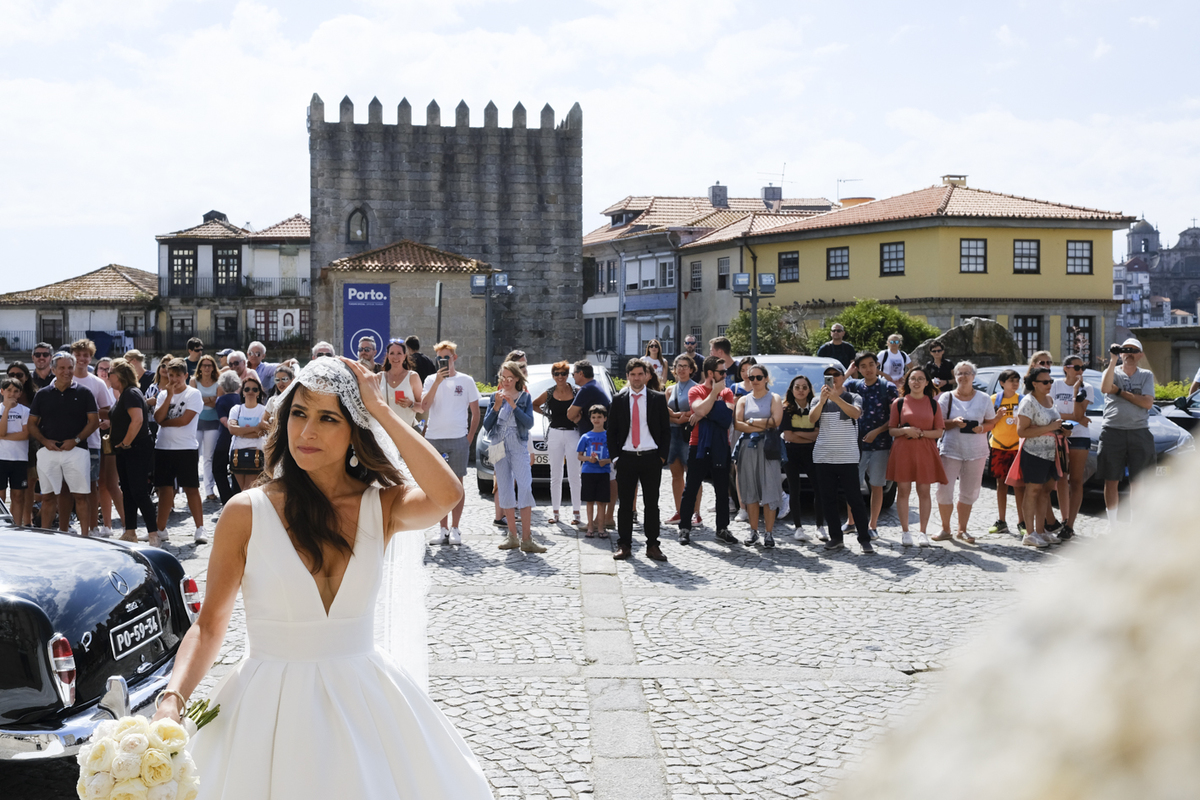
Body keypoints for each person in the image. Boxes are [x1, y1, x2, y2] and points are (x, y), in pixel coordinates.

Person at [151, 356, 493, 799]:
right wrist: (171, 700)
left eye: (328, 418)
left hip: (367, 703)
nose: (307, 432)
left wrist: (383, 410)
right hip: (268, 708)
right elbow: (211, 624)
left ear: (355, 430)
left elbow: (448, 494)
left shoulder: (383, 505)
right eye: (298, 413)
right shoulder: (245, 512)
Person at [607, 358, 670, 561]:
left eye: (640, 374)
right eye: (632, 374)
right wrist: (616, 457)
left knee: (652, 504)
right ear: (627, 376)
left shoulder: (657, 398)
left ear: (647, 376)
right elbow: (612, 432)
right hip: (626, 458)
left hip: (651, 457)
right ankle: (624, 545)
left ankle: (652, 545)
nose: (636, 378)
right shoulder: (618, 400)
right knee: (625, 504)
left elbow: (666, 430)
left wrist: (662, 457)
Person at [28, 352, 98, 532]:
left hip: (77, 451)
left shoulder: (85, 393)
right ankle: (46, 537)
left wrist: (75, 441)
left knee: (81, 496)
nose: (66, 371)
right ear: (53, 369)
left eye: (69, 367)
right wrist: (45, 441)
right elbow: (32, 424)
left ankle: (85, 537)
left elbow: (94, 422)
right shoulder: (42, 395)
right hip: (47, 452)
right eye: (62, 368)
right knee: (48, 497)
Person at [419, 341, 480, 545]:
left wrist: (469, 437)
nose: (443, 361)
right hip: (434, 438)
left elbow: (476, 412)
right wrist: (437, 381)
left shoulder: (466, 380)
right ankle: (442, 528)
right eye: (439, 358)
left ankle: (455, 528)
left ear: (454, 357)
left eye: (446, 357)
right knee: (438, 485)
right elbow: (424, 406)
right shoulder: (429, 379)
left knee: (457, 485)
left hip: (458, 438)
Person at [809, 363, 872, 554]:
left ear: (843, 376)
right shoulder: (816, 399)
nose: (832, 378)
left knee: (855, 499)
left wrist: (836, 399)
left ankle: (864, 539)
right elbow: (812, 420)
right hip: (823, 457)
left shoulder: (853, 397)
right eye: (828, 375)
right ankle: (836, 537)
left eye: (835, 374)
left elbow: (856, 413)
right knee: (828, 499)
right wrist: (822, 401)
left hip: (847, 457)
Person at [483, 361, 544, 553]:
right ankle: (512, 536)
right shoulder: (494, 397)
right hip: (497, 444)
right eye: (504, 377)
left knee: (525, 487)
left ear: (517, 378)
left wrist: (513, 406)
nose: (507, 381)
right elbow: (486, 425)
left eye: (510, 378)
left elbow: (529, 423)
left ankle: (527, 538)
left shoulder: (525, 397)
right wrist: (496, 407)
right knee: (504, 488)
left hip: (518, 444)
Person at [676, 356, 736, 546]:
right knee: (691, 487)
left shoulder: (727, 392)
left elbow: (726, 418)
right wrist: (712, 398)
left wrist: (704, 412)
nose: (725, 375)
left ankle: (722, 528)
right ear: (710, 373)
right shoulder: (696, 390)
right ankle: (685, 527)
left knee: (721, 489)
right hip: (698, 445)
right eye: (721, 372)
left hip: (720, 446)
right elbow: (697, 409)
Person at [934, 361, 997, 543]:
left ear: (974, 376)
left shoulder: (984, 398)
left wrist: (981, 428)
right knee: (944, 490)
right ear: (955, 377)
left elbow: (991, 423)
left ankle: (962, 529)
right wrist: (954, 422)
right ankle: (946, 528)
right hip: (950, 449)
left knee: (969, 492)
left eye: (967, 373)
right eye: (960, 373)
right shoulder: (947, 397)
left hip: (976, 451)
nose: (963, 376)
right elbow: (939, 423)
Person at [1097, 337, 1156, 526]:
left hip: (1139, 431)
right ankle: (1113, 525)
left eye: (1133, 350)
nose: (1129, 353)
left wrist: (1120, 392)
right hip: (1113, 431)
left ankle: (1135, 524)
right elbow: (1106, 388)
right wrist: (1113, 360)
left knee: (1138, 481)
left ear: (1141, 355)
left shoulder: (1146, 375)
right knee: (1111, 479)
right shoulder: (1111, 371)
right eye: (1126, 349)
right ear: (1121, 352)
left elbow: (1147, 403)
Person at [887, 366, 947, 546]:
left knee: (924, 492)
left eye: (921, 379)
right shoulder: (898, 402)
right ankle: (905, 531)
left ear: (927, 382)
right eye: (913, 378)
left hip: (925, 451)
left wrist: (920, 434)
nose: (916, 382)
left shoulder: (933, 404)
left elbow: (939, 432)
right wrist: (905, 430)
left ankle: (923, 532)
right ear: (907, 382)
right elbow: (891, 430)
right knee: (903, 490)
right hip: (903, 451)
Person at [154, 358, 209, 544]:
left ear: (186, 375)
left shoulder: (193, 394)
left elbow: (184, 420)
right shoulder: (163, 395)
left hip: (186, 447)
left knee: (191, 488)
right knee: (164, 489)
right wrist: (169, 395)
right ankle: (160, 529)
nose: (174, 379)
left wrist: (165, 422)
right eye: (171, 375)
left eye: (178, 375)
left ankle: (200, 528)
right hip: (163, 447)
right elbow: (157, 417)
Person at [106, 358, 160, 545]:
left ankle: (153, 534)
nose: (107, 376)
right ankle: (130, 532)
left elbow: (137, 420)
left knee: (139, 491)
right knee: (128, 491)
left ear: (119, 376)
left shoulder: (131, 393)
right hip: (126, 450)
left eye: (110, 373)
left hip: (135, 448)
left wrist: (126, 442)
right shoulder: (125, 394)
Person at [844, 351, 897, 539]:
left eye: (871, 364)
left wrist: (877, 432)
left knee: (876, 485)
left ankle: (872, 524)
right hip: (854, 445)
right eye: (863, 366)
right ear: (858, 368)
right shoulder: (852, 386)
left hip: (880, 445)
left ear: (877, 365)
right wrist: (848, 372)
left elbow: (894, 418)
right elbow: (832, 391)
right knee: (852, 485)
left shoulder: (888, 388)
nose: (868, 369)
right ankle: (851, 522)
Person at [1015, 366, 1065, 548]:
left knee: (1046, 491)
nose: (1049, 384)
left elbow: (1053, 424)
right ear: (1034, 384)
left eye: (1050, 381)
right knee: (1033, 491)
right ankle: (1029, 533)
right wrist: (1051, 427)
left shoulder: (1050, 399)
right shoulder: (1028, 402)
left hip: (1052, 454)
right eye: (1045, 382)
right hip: (1034, 453)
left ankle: (1041, 530)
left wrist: (1062, 429)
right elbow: (1021, 431)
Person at [734, 364, 783, 547]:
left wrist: (752, 421)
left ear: (766, 378)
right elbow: (738, 424)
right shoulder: (743, 400)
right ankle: (753, 531)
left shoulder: (774, 398)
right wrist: (764, 424)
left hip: (769, 447)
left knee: (770, 488)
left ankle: (769, 533)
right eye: (751, 377)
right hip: (748, 447)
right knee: (750, 489)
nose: (755, 381)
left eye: (758, 377)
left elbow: (776, 421)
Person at [72, 339, 116, 537]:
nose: (82, 359)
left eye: (86, 355)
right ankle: (73, 525)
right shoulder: (62, 379)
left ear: (91, 358)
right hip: (65, 441)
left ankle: (92, 526)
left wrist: (90, 413)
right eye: (78, 355)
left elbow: (108, 410)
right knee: (68, 486)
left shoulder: (96, 383)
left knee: (91, 485)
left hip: (91, 441)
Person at [533, 360, 582, 527]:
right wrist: (547, 414)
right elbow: (534, 404)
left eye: (563, 373)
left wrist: (579, 418)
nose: (560, 377)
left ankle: (577, 512)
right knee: (555, 474)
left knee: (575, 474)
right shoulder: (549, 392)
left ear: (568, 375)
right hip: (554, 433)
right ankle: (555, 512)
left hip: (573, 434)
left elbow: (585, 409)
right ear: (553, 376)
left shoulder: (576, 392)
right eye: (556, 374)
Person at [1052, 355, 1095, 538]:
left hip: (1079, 437)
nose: (1080, 371)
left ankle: (1070, 524)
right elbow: (1052, 413)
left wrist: (1077, 392)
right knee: (1061, 478)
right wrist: (1073, 417)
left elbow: (1078, 415)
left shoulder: (1088, 388)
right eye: (1076, 367)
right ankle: (1063, 518)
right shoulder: (1055, 385)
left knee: (1076, 481)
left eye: (1082, 367)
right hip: (1059, 436)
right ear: (1066, 368)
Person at [568, 360, 614, 528]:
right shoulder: (594, 386)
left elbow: (570, 414)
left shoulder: (586, 389)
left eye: (574, 373)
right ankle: (604, 519)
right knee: (606, 482)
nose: (572, 376)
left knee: (605, 483)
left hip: (601, 442)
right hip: (600, 439)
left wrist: (578, 416)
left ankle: (604, 519)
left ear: (581, 374)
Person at [780, 375, 822, 542]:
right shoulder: (786, 409)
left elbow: (818, 434)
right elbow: (788, 436)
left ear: (809, 389)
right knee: (794, 490)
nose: (801, 390)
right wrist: (808, 436)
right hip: (791, 454)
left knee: (818, 489)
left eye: (804, 387)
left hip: (812, 453)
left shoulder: (815, 408)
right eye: (797, 387)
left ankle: (820, 526)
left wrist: (798, 434)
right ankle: (798, 528)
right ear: (792, 389)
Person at [665, 354, 702, 527]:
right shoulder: (669, 390)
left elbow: (699, 412)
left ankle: (696, 513)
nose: (681, 369)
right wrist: (676, 419)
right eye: (678, 365)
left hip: (690, 434)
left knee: (693, 474)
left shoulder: (697, 388)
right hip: (673, 434)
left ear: (691, 369)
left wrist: (682, 417)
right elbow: (665, 413)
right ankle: (679, 511)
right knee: (676, 474)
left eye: (685, 366)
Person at [987, 369, 1024, 536]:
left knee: (1019, 486)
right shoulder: (994, 400)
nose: (1015, 383)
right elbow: (987, 424)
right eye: (1011, 380)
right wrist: (996, 417)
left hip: (1017, 447)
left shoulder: (1022, 400)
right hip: (999, 446)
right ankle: (1001, 520)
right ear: (1002, 383)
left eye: (1017, 380)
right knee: (1000, 485)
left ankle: (1022, 521)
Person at [5, 362, 36, 525]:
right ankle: (10, 521)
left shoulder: (35, 396)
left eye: (19, 375)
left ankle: (27, 520)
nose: (15, 377)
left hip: (30, 447)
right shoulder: (3, 398)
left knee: (28, 486)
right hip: (6, 451)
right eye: (12, 374)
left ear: (26, 377)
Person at [191, 354, 225, 502]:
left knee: (208, 457)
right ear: (200, 367)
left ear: (213, 367)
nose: (206, 368)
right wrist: (209, 400)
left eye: (209, 365)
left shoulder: (219, 383)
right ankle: (192, 489)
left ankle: (209, 490)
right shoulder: (194, 381)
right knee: (193, 457)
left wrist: (205, 401)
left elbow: (217, 404)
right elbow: (193, 402)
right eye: (204, 365)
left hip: (213, 423)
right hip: (196, 423)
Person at [228, 372, 270, 491]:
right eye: (247, 389)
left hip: (257, 452)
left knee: (249, 489)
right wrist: (256, 428)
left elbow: (262, 433)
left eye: (254, 389)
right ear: (243, 392)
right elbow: (232, 429)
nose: (250, 391)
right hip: (237, 452)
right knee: (243, 490)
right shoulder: (236, 409)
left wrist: (241, 431)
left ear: (258, 392)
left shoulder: (264, 410)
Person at [578, 405, 613, 538]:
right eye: (593, 417)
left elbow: (614, 456)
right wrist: (589, 459)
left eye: (599, 417)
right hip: (588, 471)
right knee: (589, 501)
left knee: (602, 501)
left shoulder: (609, 436)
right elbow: (579, 456)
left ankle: (601, 527)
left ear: (605, 418)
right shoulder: (586, 437)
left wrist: (607, 461)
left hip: (603, 472)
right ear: (590, 419)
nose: (596, 419)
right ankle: (590, 527)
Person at [0, 377, 31, 526]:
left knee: (18, 495)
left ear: (20, 394)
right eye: (9, 390)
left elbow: (25, 434)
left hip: (19, 459)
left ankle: (17, 526)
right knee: (1, 496)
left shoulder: (25, 411)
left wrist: (4, 436)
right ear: (2, 391)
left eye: (16, 391)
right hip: (1, 458)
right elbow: (1, 431)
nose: (12, 394)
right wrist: (6, 409)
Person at [213, 370, 243, 506]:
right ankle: (237, 496)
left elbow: (224, 421)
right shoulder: (241, 398)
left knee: (218, 470)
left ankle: (227, 499)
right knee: (237, 470)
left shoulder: (221, 400)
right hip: (241, 440)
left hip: (225, 440)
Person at [379, 340, 423, 428]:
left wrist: (411, 404)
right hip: (385, 431)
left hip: (407, 431)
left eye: (399, 353)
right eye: (392, 353)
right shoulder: (379, 377)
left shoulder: (413, 377)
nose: (395, 357)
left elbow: (422, 408)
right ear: (387, 356)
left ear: (404, 356)